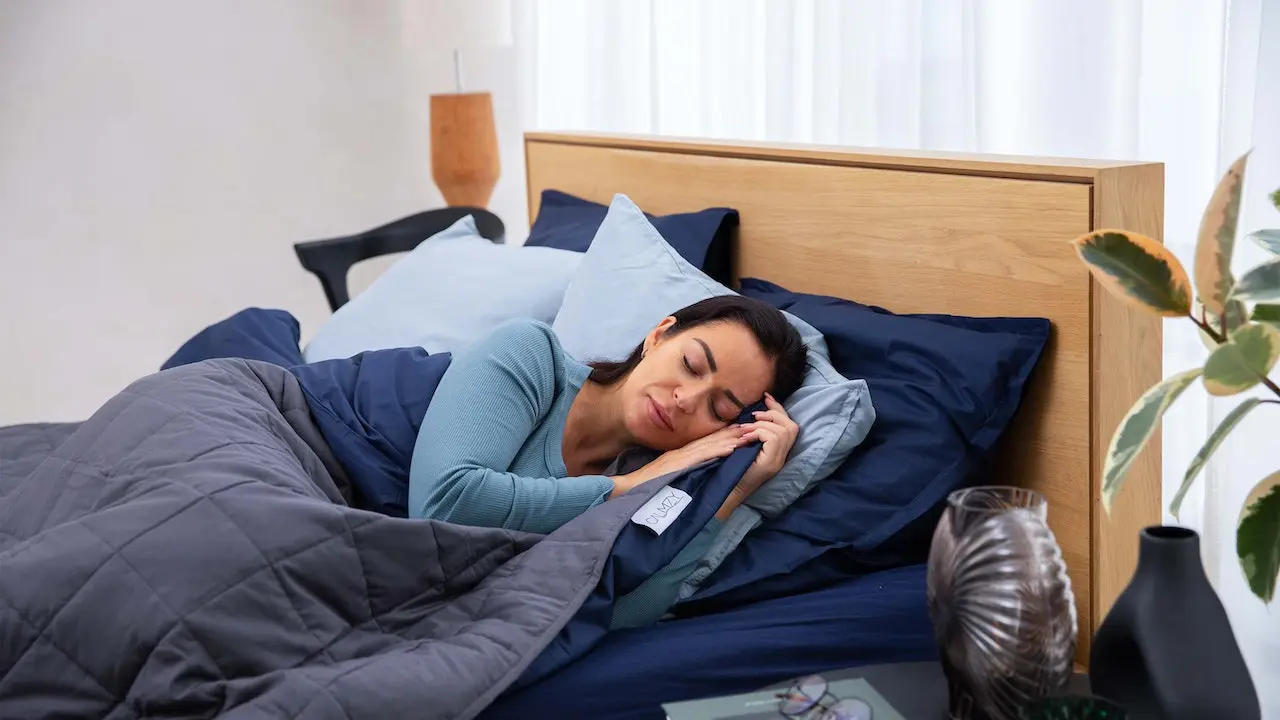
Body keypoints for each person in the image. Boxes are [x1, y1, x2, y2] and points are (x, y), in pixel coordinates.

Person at [408, 295, 808, 627]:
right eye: (690, 365)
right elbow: (445, 507)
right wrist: (624, 488)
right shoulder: (529, 352)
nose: (684, 399)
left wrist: (733, 490)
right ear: (659, 335)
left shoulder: (666, 488)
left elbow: (622, 613)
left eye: (719, 408)